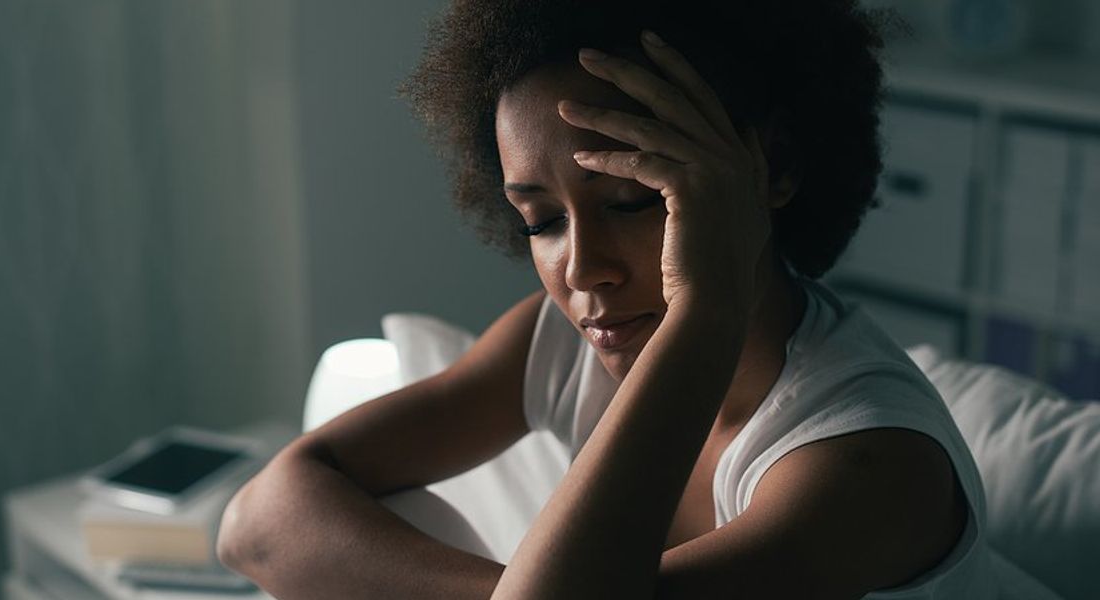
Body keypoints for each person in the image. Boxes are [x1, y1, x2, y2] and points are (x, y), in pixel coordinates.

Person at [216, 1, 996, 598]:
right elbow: (256, 521)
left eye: (629, 200)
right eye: (544, 220)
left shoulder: (868, 465)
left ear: (773, 169)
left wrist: (705, 311)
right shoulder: (558, 345)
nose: (582, 270)